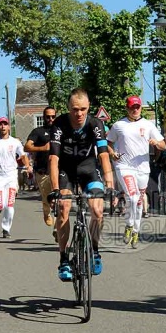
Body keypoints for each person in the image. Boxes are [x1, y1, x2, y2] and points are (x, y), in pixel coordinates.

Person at [48, 88, 114, 281]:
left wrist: (109, 184)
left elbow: (103, 154)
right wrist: (54, 190)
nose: (79, 113)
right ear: (68, 108)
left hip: (88, 169)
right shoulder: (59, 124)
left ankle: (94, 251)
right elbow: (53, 158)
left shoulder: (96, 124)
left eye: (83, 109)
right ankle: (63, 259)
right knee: (64, 207)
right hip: (65, 170)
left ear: (88, 108)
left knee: (98, 210)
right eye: (75, 109)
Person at [107, 96, 166, 249]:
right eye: (132, 107)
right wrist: (112, 153)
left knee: (138, 201)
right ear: (127, 108)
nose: (135, 109)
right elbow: (108, 143)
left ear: (140, 107)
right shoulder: (118, 125)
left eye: (138, 107)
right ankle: (129, 224)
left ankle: (135, 230)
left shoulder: (148, 125)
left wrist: (156, 143)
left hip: (143, 168)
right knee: (133, 197)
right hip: (124, 166)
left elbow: (163, 145)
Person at [0, 117, 31, 238]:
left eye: (5, 124)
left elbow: (23, 155)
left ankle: (6, 229)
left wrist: (28, 166)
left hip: (11, 175)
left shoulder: (15, 142)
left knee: (9, 206)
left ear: (9, 126)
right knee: (0, 205)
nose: (3, 126)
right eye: (1, 124)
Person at [24, 106, 56, 228]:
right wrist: (43, 148)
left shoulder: (60, 131)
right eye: (48, 116)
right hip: (43, 171)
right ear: (43, 117)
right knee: (48, 198)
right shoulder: (38, 132)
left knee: (59, 200)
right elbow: (27, 147)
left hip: (59, 170)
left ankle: (58, 228)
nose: (51, 119)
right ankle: (46, 212)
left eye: (53, 116)